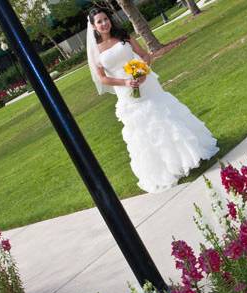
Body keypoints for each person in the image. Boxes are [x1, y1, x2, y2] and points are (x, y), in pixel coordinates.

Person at [87, 7, 219, 193]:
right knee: (144, 126)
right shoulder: (95, 51)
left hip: (146, 84)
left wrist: (141, 72)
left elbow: (145, 55)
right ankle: (166, 167)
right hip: (125, 91)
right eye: (99, 21)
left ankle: (190, 156)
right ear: (93, 26)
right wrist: (125, 82)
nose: (104, 23)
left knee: (164, 115)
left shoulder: (123, 35)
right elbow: (103, 78)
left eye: (105, 19)